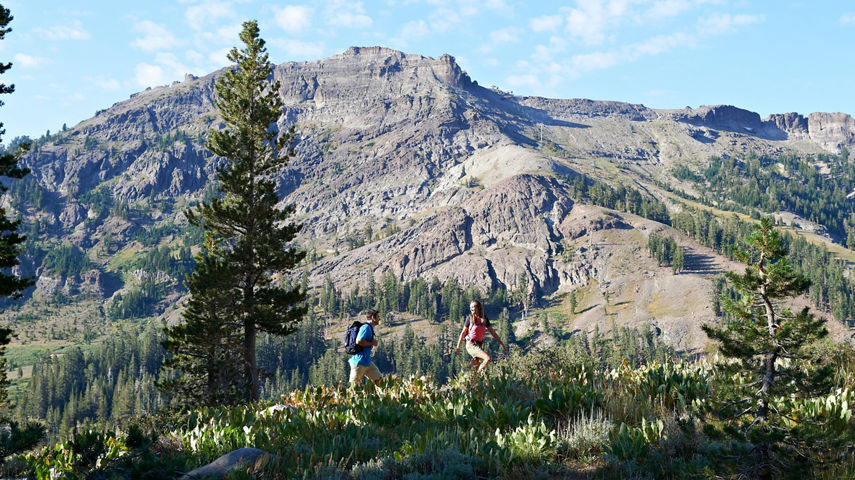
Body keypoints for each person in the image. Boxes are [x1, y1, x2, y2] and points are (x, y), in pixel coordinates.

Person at [455, 300, 508, 372]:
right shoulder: (470, 318)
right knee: (487, 358)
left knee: (476, 366)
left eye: (474, 307)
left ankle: (474, 380)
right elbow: (463, 333)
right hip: (471, 344)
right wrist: (458, 346)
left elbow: (493, 333)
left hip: (479, 345)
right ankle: (477, 374)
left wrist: (502, 344)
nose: (472, 309)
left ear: (479, 308)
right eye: (471, 307)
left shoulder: (484, 319)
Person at [349, 309, 383, 386]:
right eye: (378, 317)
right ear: (373, 318)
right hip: (359, 362)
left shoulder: (370, 328)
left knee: (380, 381)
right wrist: (372, 343)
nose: (379, 319)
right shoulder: (366, 327)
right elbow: (358, 341)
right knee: (353, 387)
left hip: (367, 362)